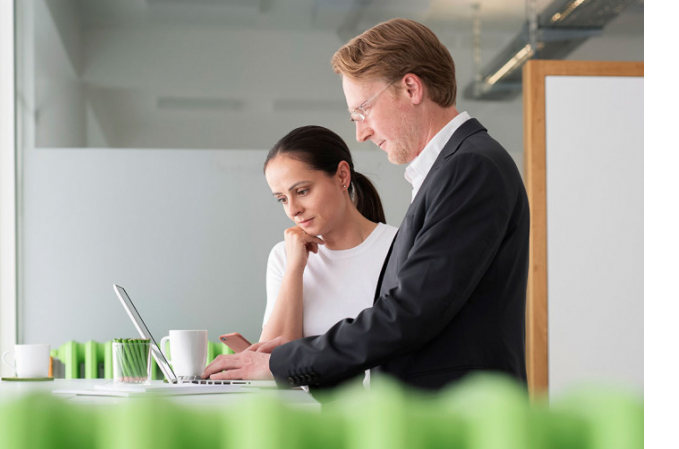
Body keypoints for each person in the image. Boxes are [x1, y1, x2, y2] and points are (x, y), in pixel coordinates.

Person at [203, 18, 530, 391]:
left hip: (458, 421)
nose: (361, 132)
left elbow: (412, 312)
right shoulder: (450, 169)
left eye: (363, 111)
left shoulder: (469, 166)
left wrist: (285, 361)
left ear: (410, 88)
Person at [258, 127, 398, 384]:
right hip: (308, 418)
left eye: (302, 191)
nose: (294, 210)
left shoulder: (399, 247)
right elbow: (271, 363)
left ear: (342, 176)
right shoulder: (284, 257)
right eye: (282, 199)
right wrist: (295, 269)